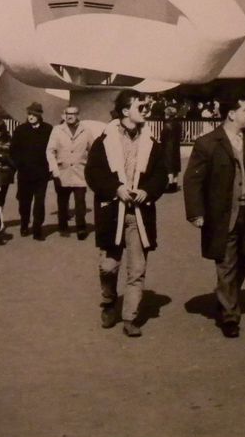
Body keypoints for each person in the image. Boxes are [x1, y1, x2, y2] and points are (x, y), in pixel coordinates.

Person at [182, 98, 245, 338]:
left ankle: (225, 295)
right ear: (231, 114)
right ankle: (230, 316)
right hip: (222, 216)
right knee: (226, 262)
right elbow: (192, 181)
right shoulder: (207, 143)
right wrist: (196, 213)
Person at [85, 90, 169, 337]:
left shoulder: (152, 143)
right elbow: (93, 173)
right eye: (140, 106)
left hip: (140, 215)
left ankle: (130, 317)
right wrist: (116, 188)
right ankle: (109, 301)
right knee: (109, 266)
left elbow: (161, 175)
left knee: (137, 269)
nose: (146, 110)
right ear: (125, 111)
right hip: (112, 212)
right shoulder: (104, 141)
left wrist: (147, 190)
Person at [47, 104, 94, 239]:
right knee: (62, 201)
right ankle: (63, 226)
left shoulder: (86, 131)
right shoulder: (57, 130)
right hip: (62, 172)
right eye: (68, 113)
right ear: (64, 115)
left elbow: (93, 150)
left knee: (80, 201)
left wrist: (89, 166)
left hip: (80, 172)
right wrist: (54, 168)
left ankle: (81, 228)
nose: (70, 116)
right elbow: (50, 151)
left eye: (73, 113)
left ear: (78, 115)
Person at [10, 103, 53, 238]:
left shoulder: (48, 129)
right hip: (24, 173)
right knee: (24, 202)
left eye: (34, 114)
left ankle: (37, 228)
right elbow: (13, 151)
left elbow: (53, 149)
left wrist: (50, 167)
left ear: (40, 115)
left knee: (39, 202)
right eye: (29, 114)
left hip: (42, 173)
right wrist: (18, 165)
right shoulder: (20, 130)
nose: (31, 117)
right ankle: (24, 224)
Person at [159, 102, 183, 193]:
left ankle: (169, 185)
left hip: (168, 147)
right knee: (175, 166)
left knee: (169, 167)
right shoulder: (178, 124)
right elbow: (181, 135)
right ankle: (174, 185)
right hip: (176, 146)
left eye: (165, 114)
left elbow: (162, 138)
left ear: (168, 115)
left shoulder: (167, 125)